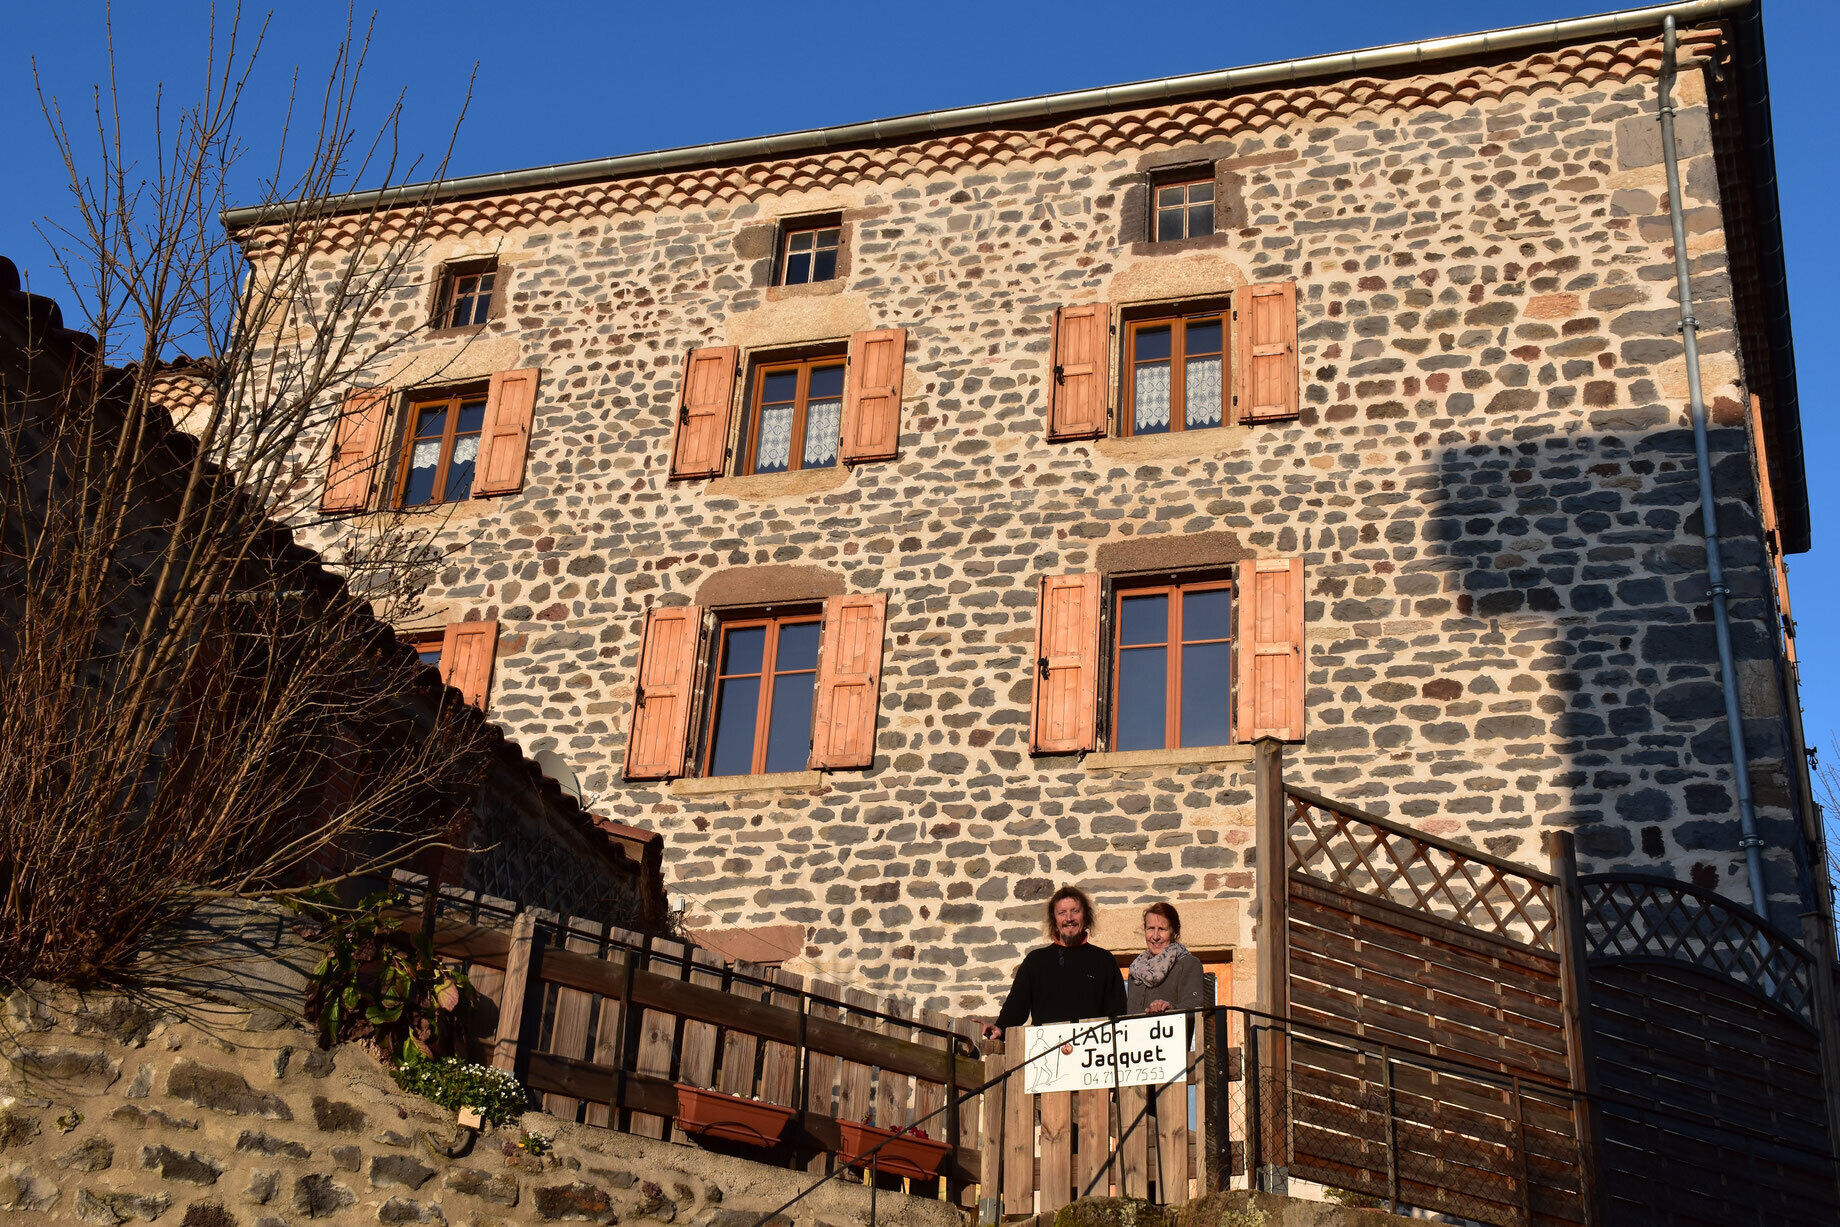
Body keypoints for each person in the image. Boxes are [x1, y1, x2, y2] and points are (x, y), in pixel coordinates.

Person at [979, 885, 1127, 1040]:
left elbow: (1117, 1014)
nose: (1069, 918)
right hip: (1047, 1049)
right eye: (1062, 913)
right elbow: (1016, 1007)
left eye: (1075, 911)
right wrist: (1000, 1028)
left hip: (1092, 1049)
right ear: (1054, 920)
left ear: (1085, 916)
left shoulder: (1104, 960)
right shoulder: (1036, 962)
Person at [1125, 901, 1206, 1016]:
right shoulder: (1136, 970)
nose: (1155, 936)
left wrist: (1170, 1009)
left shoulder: (1188, 964)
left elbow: (1195, 1007)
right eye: (1150, 928)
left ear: (1175, 932)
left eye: (1162, 929)